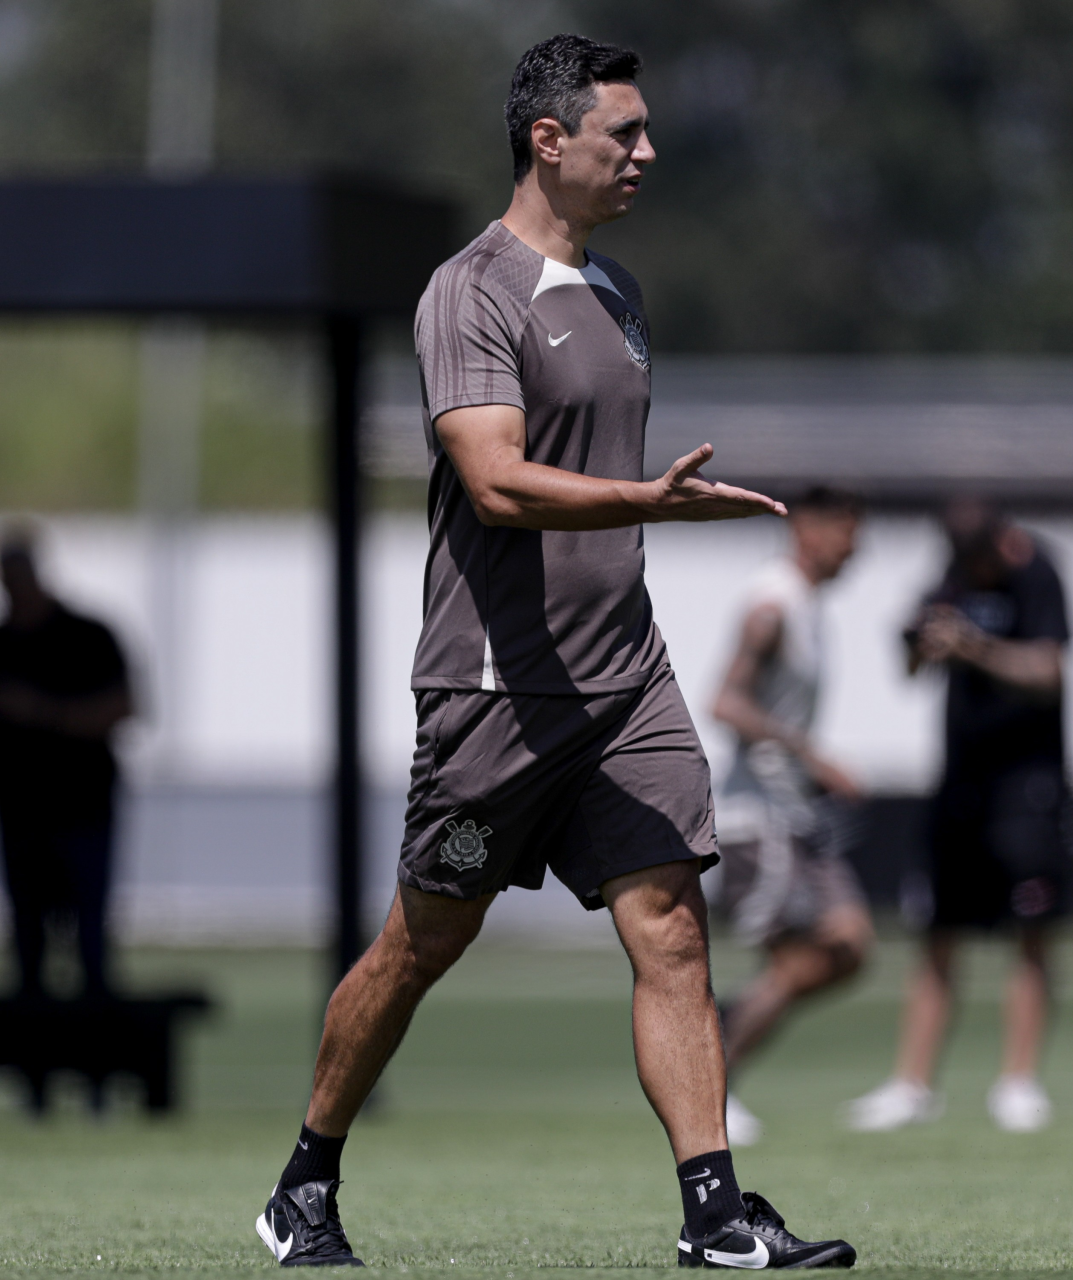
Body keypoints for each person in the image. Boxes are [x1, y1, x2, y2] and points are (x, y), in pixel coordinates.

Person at [256, 34, 855, 1272]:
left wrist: (642, 515)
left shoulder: (620, 290)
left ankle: (714, 1215)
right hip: (495, 696)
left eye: (642, 133)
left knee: (672, 929)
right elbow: (492, 483)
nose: (644, 152)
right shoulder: (468, 289)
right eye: (621, 133)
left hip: (623, 682)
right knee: (423, 942)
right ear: (547, 141)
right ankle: (304, 1180)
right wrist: (649, 501)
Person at [847, 498, 1070, 1134]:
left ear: (1001, 541)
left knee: (1031, 931)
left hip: (1028, 785)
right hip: (960, 784)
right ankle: (911, 1085)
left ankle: (1018, 1083)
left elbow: (1049, 671)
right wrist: (923, 644)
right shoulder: (950, 578)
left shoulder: (1038, 572)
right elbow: (909, 665)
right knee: (939, 931)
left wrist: (973, 647)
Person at [711, 487, 873, 1148]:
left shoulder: (807, 606)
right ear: (806, 529)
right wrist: (814, 757)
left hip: (794, 815)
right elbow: (725, 702)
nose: (855, 548)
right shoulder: (771, 605)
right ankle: (707, 1085)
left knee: (848, 946)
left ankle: (719, 1035)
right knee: (801, 957)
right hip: (759, 818)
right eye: (846, 531)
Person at [0, 527, 132, 998]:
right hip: (22, 814)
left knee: (90, 934)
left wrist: (40, 711)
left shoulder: (86, 637)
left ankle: (97, 1037)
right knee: (29, 936)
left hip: (83, 808)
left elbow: (122, 707)